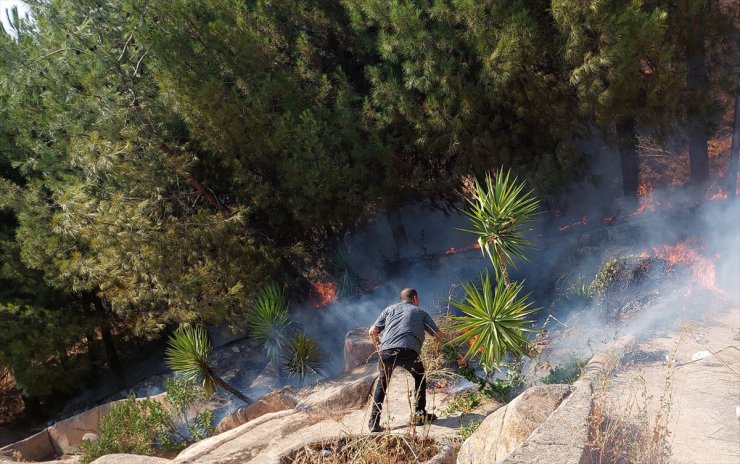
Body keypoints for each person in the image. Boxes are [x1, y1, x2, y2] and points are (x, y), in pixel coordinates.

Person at [367, 287, 443, 432]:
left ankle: (373, 424)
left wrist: (379, 347)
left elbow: (372, 331)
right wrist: (451, 346)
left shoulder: (389, 310)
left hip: (386, 352)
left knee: (382, 384)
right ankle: (420, 416)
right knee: (420, 377)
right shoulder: (420, 312)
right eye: (418, 299)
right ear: (414, 298)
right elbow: (438, 335)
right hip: (409, 351)